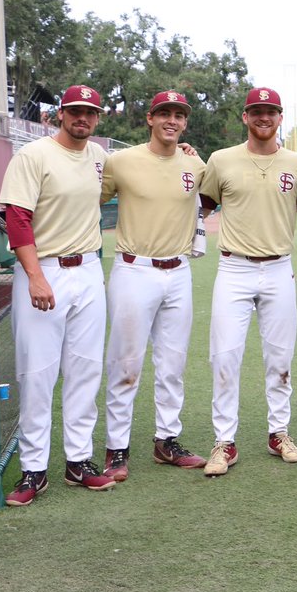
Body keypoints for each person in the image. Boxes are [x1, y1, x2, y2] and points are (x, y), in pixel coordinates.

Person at [0, 84, 116, 505]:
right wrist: (34, 275)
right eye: (75, 111)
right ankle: (33, 470)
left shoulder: (101, 158)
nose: (82, 118)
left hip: (86, 270)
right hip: (44, 268)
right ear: (59, 114)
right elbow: (17, 218)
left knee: (85, 370)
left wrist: (186, 152)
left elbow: (145, 167)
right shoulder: (33, 155)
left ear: (98, 118)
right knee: (37, 373)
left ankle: (79, 461)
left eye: (90, 112)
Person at [198, 87, 297, 477]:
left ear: (280, 116)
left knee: (280, 357)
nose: (263, 117)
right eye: (256, 111)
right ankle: (224, 441)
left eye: (270, 111)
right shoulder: (221, 160)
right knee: (225, 356)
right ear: (245, 117)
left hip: (279, 267)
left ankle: (279, 433)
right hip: (234, 269)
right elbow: (198, 208)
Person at [98, 91, 208, 482]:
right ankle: (117, 448)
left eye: (179, 115)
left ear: (184, 123)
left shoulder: (195, 163)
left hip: (178, 271)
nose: (172, 120)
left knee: (173, 363)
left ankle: (167, 440)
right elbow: (90, 200)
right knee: (126, 363)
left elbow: (209, 200)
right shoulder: (121, 161)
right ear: (150, 118)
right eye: (165, 113)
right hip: (134, 269)